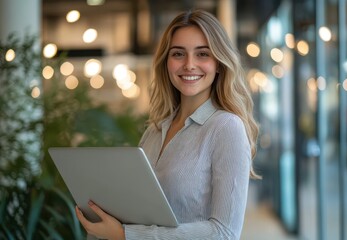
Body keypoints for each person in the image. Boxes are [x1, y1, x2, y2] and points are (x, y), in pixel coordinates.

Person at [75, 9, 260, 240]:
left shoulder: (226, 128)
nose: (189, 64)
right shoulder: (154, 130)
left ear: (219, 63)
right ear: (166, 62)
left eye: (203, 54)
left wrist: (126, 235)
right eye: (178, 54)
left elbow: (224, 232)